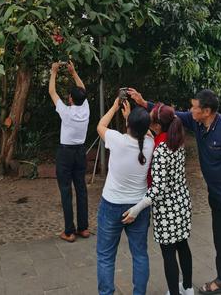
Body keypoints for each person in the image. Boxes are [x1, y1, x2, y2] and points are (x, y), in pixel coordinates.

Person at [127, 88, 221, 295]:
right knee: (220, 241)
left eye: (194, 107)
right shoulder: (198, 122)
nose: (190, 110)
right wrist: (143, 102)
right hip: (217, 196)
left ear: (207, 110)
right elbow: (171, 114)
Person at [122, 102, 194, 295]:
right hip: (181, 201)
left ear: (156, 126)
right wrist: (130, 118)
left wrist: (136, 209)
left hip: (167, 208)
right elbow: (150, 136)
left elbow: (158, 189)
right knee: (183, 245)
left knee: (168, 252)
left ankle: (174, 292)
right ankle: (187, 287)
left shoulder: (161, 150)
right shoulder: (175, 139)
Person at [96, 98, 154, 295]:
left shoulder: (117, 140)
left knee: (105, 256)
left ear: (128, 125)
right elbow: (143, 132)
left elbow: (101, 125)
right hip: (139, 206)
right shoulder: (151, 143)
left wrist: (114, 106)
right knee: (140, 255)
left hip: (111, 204)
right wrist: (132, 118)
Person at [48, 61, 90, 242]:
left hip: (66, 154)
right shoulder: (86, 108)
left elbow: (52, 92)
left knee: (66, 190)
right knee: (81, 189)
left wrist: (54, 72)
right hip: (81, 152)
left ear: (71, 99)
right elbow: (82, 88)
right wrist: (73, 72)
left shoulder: (66, 111)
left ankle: (69, 231)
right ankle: (83, 228)